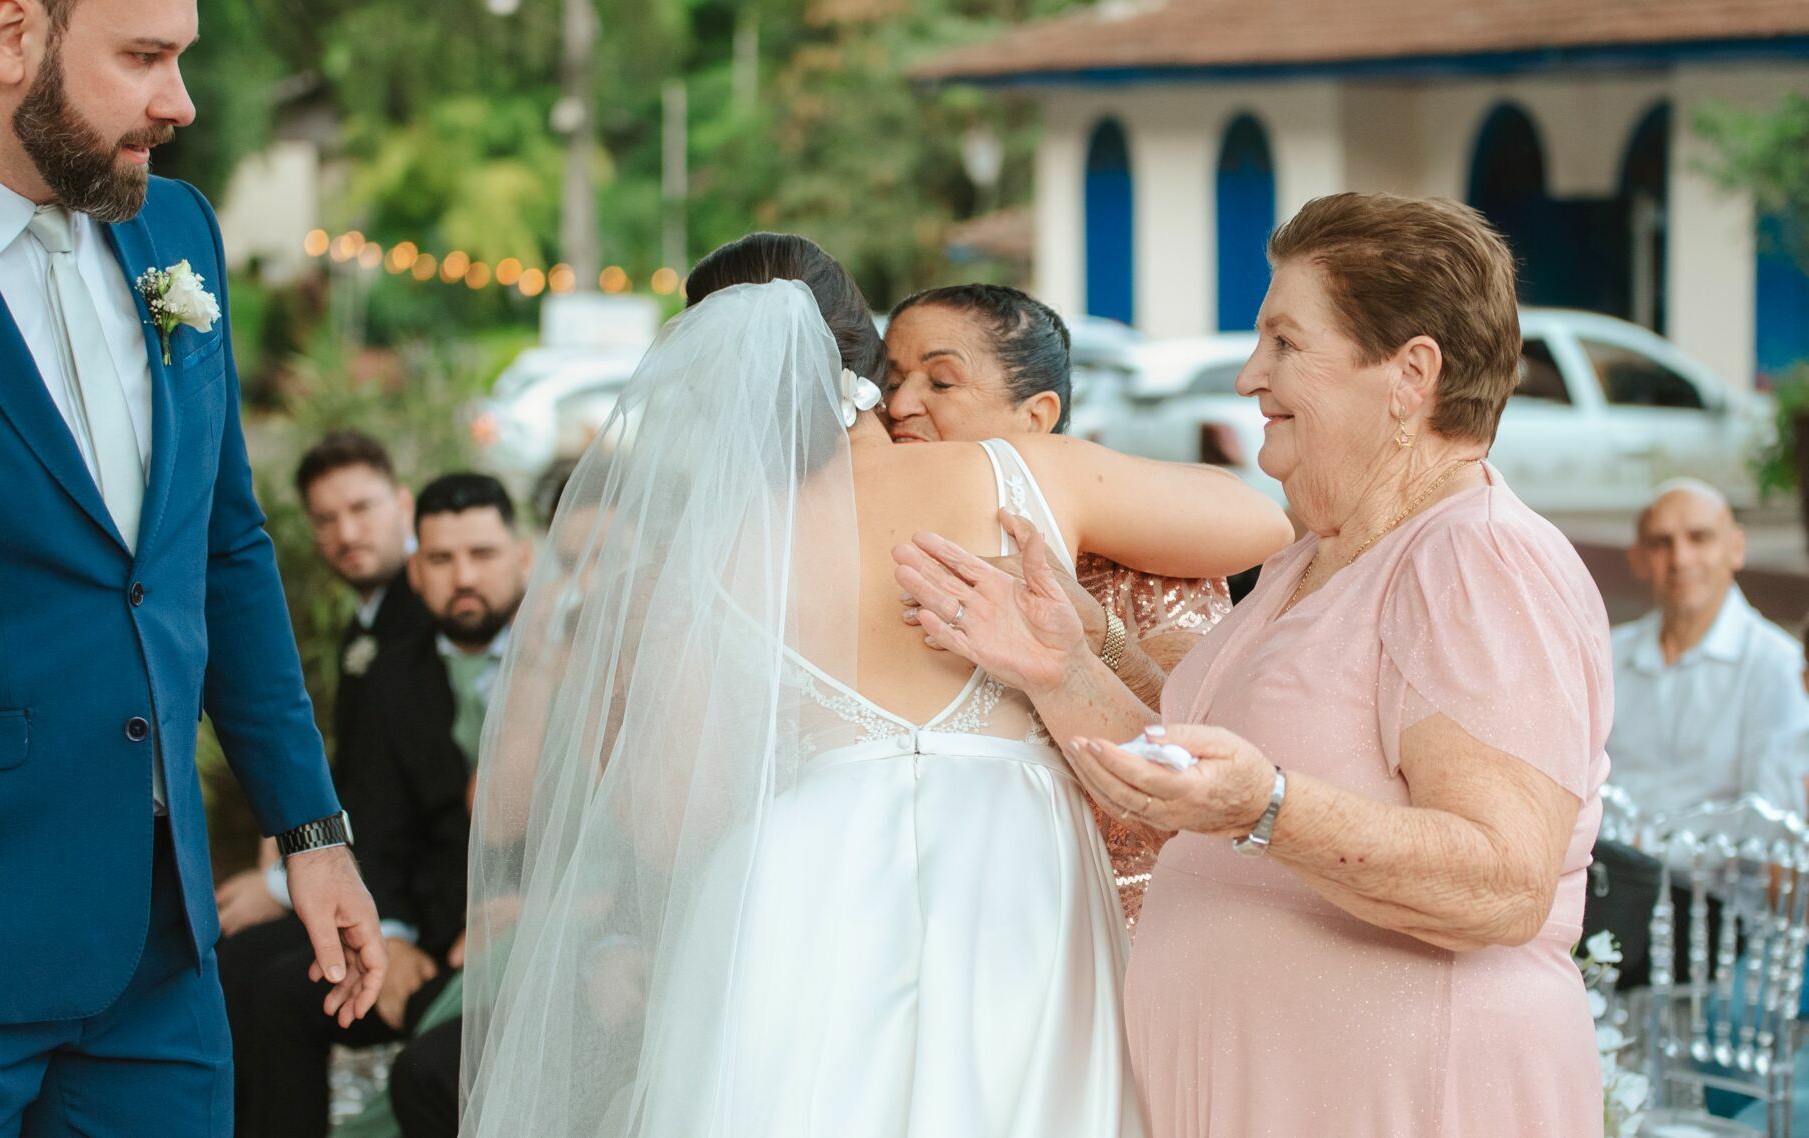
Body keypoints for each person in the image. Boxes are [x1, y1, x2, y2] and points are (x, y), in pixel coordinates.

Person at [458, 233, 1293, 1138]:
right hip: (1012, 865)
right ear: (862, 352)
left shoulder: (718, 554)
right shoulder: (1020, 475)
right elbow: (1259, 524)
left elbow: (669, 822)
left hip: (802, 873)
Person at [899, 193, 1611, 1135]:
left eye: (1284, 343)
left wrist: (1268, 808)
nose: (1247, 376)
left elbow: (1501, 880)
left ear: (1410, 373)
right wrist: (1061, 664)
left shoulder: (1477, 559)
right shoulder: (1305, 559)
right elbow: (1196, 780)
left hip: (1409, 1098)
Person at [0, 0, 384, 1135]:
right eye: (145, 56)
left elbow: (222, 547)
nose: (181, 99)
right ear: (12, 33)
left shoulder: (179, 234)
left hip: (159, 962)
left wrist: (310, 827)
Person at [884, 282, 1237, 927]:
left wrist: (1092, 631)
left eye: (940, 383)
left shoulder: (1150, 559)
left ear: (1038, 417)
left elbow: (1196, 741)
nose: (900, 404)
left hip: (1115, 921)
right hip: (934, 917)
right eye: (890, 378)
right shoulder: (881, 551)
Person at [224, 473, 530, 1138]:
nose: (464, 578)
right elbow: (382, 826)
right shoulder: (394, 676)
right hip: (423, 925)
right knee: (278, 990)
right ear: (417, 572)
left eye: (482, 555)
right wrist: (391, 933)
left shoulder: (561, 662)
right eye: (443, 560)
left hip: (524, 933)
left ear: (523, 558)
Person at [217, 431, 430, 938]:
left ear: (403, 503)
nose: (347, 533)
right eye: (326, 519)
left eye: (362, 508)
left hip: (414, 898)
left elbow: (395, 794)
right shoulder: (366, 623)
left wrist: (281, 884)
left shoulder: (424, 617)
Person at [1607, 479, 1809, 818]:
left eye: (1699, 538)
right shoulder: (1605, 655)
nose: (1680, 559)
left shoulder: (1779, 666)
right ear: (1638, 559)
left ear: (1737, 548)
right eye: (1661, 543)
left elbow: (1771, 818)